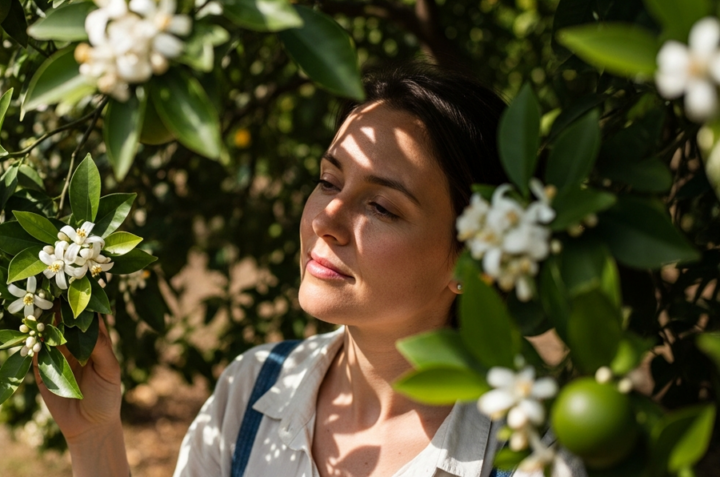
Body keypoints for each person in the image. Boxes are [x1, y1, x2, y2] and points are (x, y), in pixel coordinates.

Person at [32, 65, 586, 477]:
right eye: (328, 180)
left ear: (472, 257)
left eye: (383, 207)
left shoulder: (532, 453)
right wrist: (96, 438)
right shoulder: (252, 390)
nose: (328, 219)